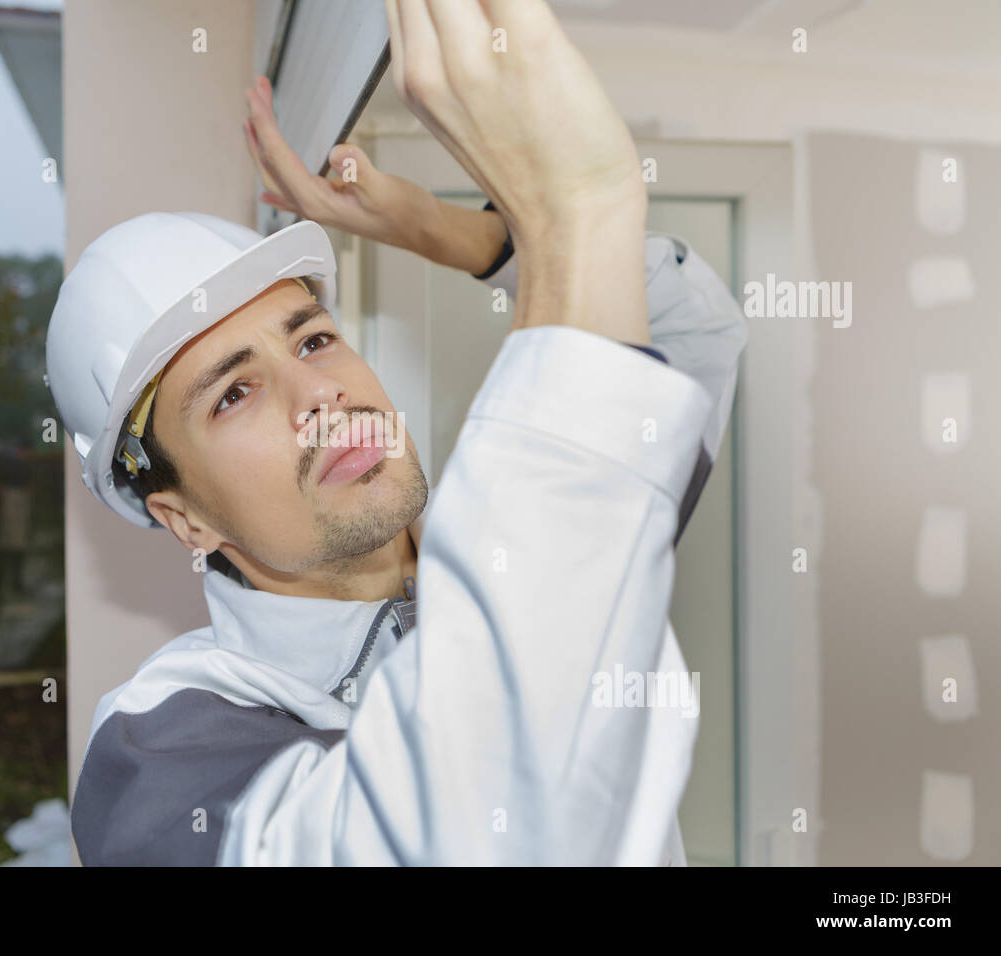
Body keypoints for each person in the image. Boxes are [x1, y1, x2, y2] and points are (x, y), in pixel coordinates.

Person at [49, 0, 747, 865]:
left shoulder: (526, 546)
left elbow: (691, 325)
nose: (320, 395)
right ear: (187, 520)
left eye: (313, 338)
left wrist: (448, 231)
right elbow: (487, 818)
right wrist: (568, 219)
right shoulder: (161, 756)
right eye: (233, 395)